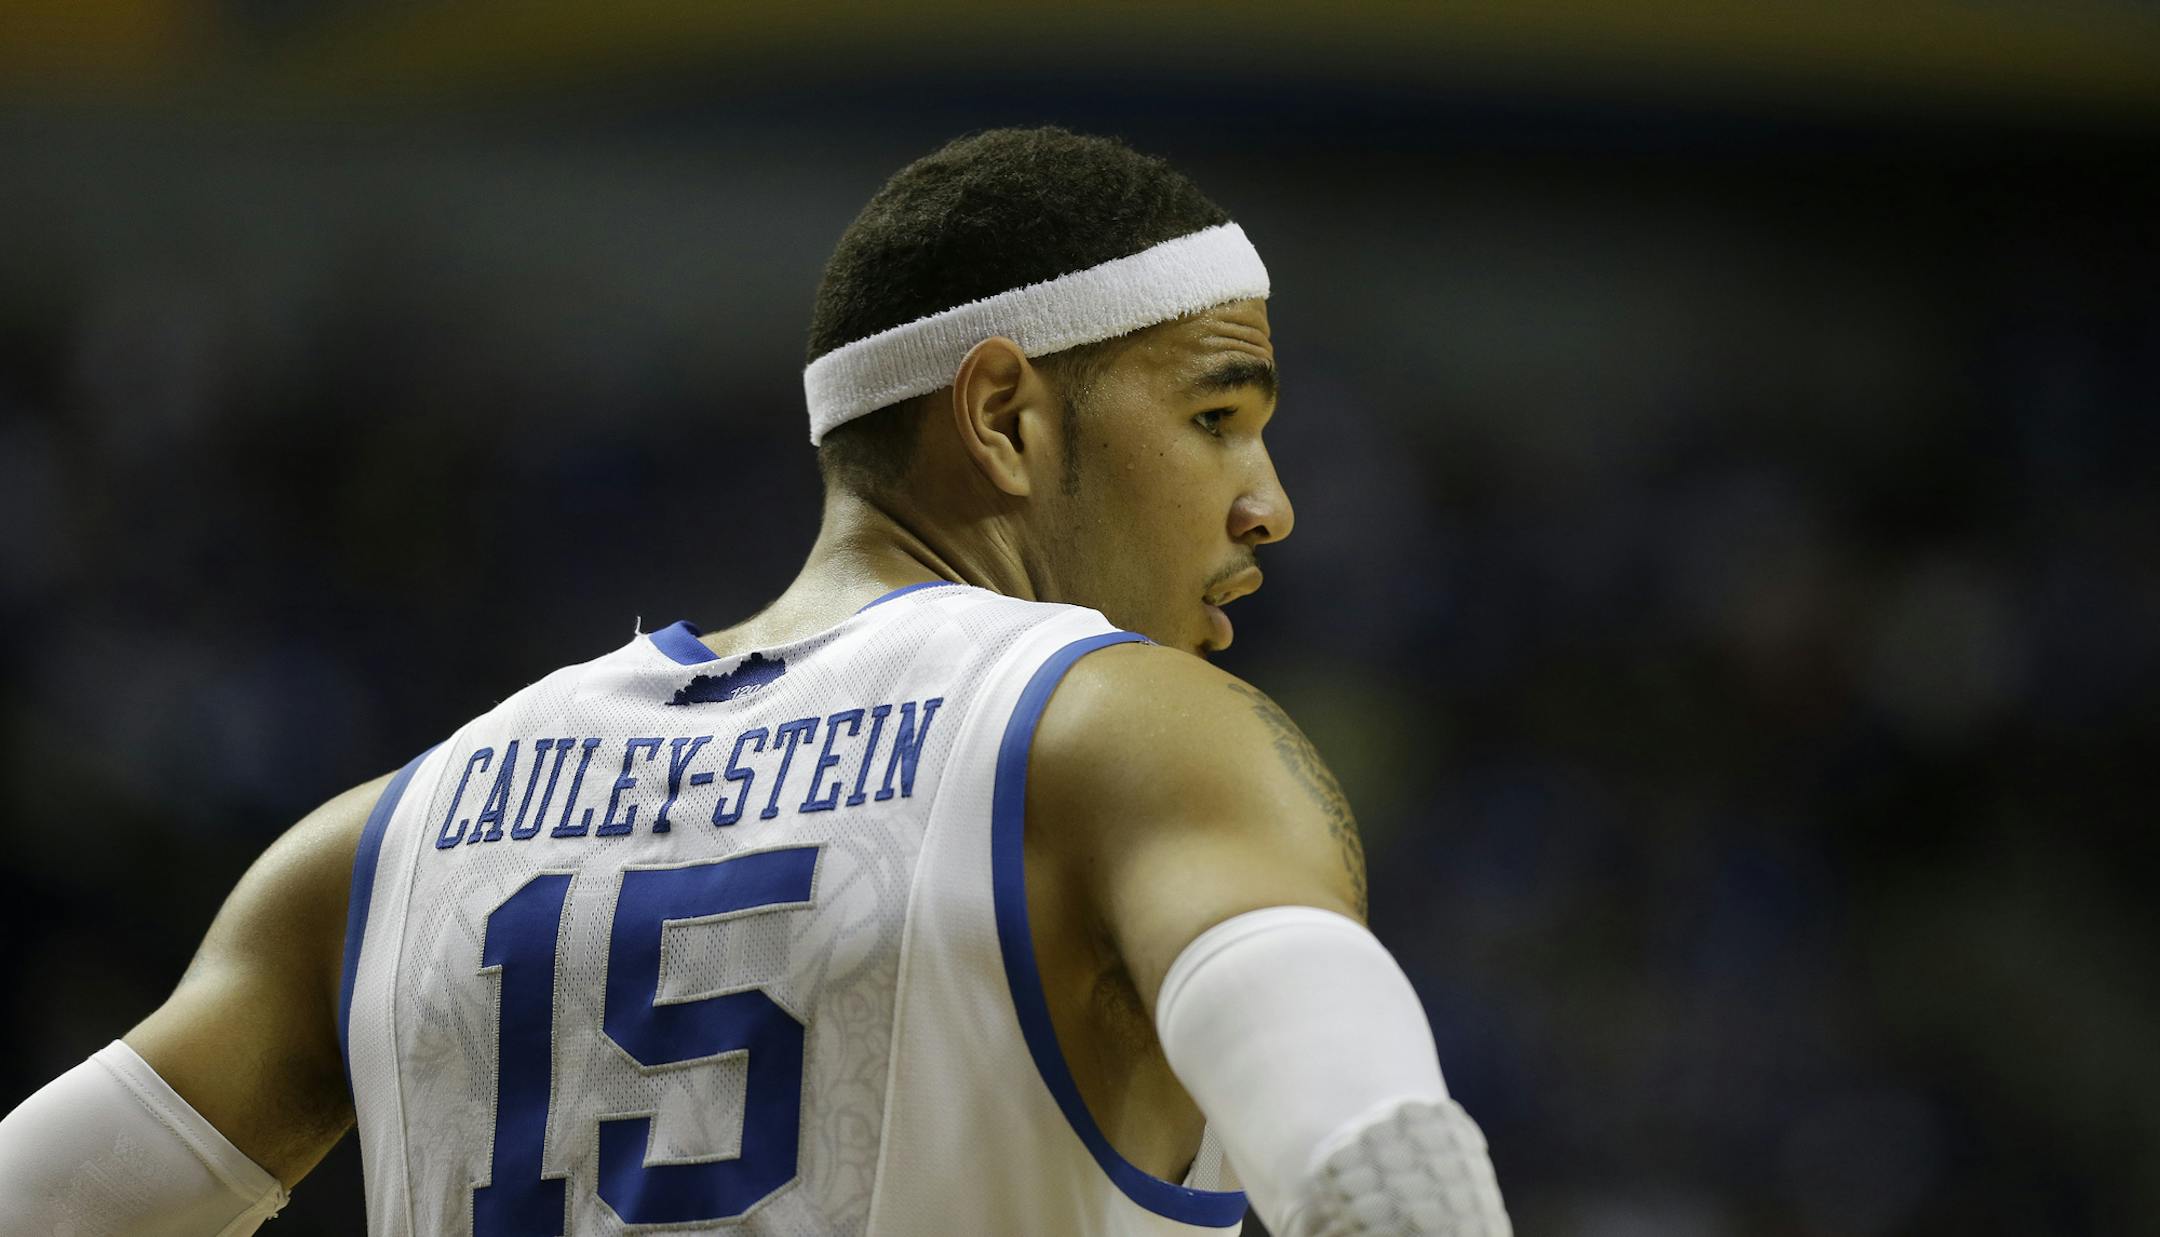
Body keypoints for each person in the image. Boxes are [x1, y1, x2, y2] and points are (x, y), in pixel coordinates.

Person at [0, 126, 1510, 1236]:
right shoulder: (1127, 738)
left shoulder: (384, 837)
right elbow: (1384, 1176)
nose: (1270, 502)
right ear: (1005, 417)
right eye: (1215, 414)